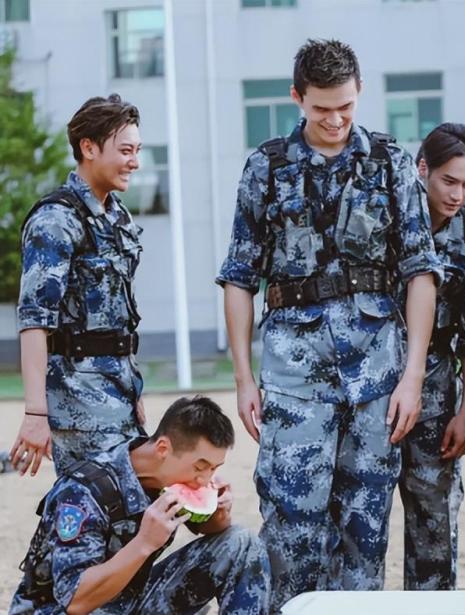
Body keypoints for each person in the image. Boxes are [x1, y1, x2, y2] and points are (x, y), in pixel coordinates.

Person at [216, 38, 441, 606]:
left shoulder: (391, 164)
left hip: (377, 378)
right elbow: (240, 278)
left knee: (365, 529)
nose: (336, 119)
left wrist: (412, 375)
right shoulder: (265, 168)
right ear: (297, 97)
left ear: (359, 90)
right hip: (295, 378)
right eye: (321, 108)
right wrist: (245, 379)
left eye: (345, 105)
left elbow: (420, 272)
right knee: (291, 527)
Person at [9, 396, 270, 614]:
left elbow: (210, 530)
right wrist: (144, 543)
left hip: (126, 603)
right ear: (163, 448)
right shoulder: (83, 493)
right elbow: (75, 600)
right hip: (60, 609)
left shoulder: (169, 477)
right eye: (200, 467)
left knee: (241, 542)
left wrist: (219, 513)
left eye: (214, 468)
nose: (205, 479)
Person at [10, 94, 146, 477]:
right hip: (79, 403)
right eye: (125, 150)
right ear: (89, 148)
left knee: (126, 517)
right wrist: (36, 413)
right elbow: (34, 320)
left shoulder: (116, 217)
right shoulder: (56, 220)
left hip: (119, 395)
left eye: (137, 150)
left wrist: (132, 391)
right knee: (93, 515)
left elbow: (119, 320)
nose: (134, 161)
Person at [399, 122, 465, 590]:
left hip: (436, 386)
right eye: (448, 181)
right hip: (373, 375)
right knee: (360, 514)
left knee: (434, 512)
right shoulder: (388, 216)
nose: (458, 194)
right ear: (423, 169)